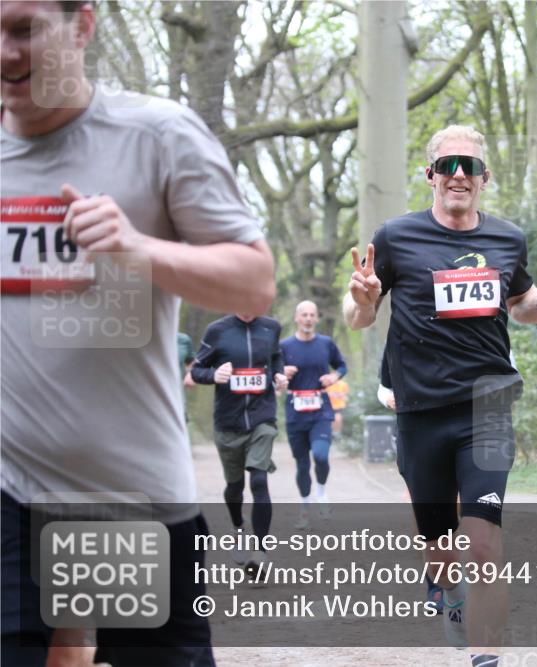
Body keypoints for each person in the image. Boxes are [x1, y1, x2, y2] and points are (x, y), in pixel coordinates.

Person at [0, 2, 275, 665]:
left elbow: (254, 283)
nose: (4, 52)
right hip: (12, 490)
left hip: (128, 497)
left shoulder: (154, 135)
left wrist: (137, 249)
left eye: (23, 29)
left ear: (83, 25)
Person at [343, 125, 537, 664]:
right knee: (439, 549)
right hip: (421, 410)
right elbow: (360, 317)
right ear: (430, 175)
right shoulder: (396, 237)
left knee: (483, 543)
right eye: (448, 165)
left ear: (484, 178)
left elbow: (521, 306)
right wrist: (361, 300)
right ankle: (448, 592)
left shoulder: (507, 239)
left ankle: (485, 659)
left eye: (470, 166)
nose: (459, 174)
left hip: (487, 404)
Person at [190, 313, 287, 572]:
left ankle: (261, 553)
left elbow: (276, 357)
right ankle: (238, 527)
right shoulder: (216, 330)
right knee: (235, 487)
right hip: (228, 422)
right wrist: (214, 375)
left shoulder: (271, 327)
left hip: (262, 417)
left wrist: (279, 375)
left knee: (259, 480)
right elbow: (196, 371)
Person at [377, 351, 443, 615]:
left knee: (460, 507)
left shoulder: (476, 327)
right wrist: (388, 398)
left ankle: (460, 572)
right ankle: (435, 583)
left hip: (466, 428)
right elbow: (383, 388)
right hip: (417, 429)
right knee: (424, 509)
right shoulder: (402, 332)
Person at [281, 300, 347, 529]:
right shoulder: (284, 346)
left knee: (320, 456)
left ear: (316, 318)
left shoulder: (326, 343)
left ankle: (321, 491)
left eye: (312, 315)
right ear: (296, 318)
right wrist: (282, 373)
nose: (308, 319)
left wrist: (333, 377)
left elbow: (342, 366)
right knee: (301, 464)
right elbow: (273, 373)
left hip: (321, 411)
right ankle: (305, 508)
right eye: (304, 315)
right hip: (295, 412)